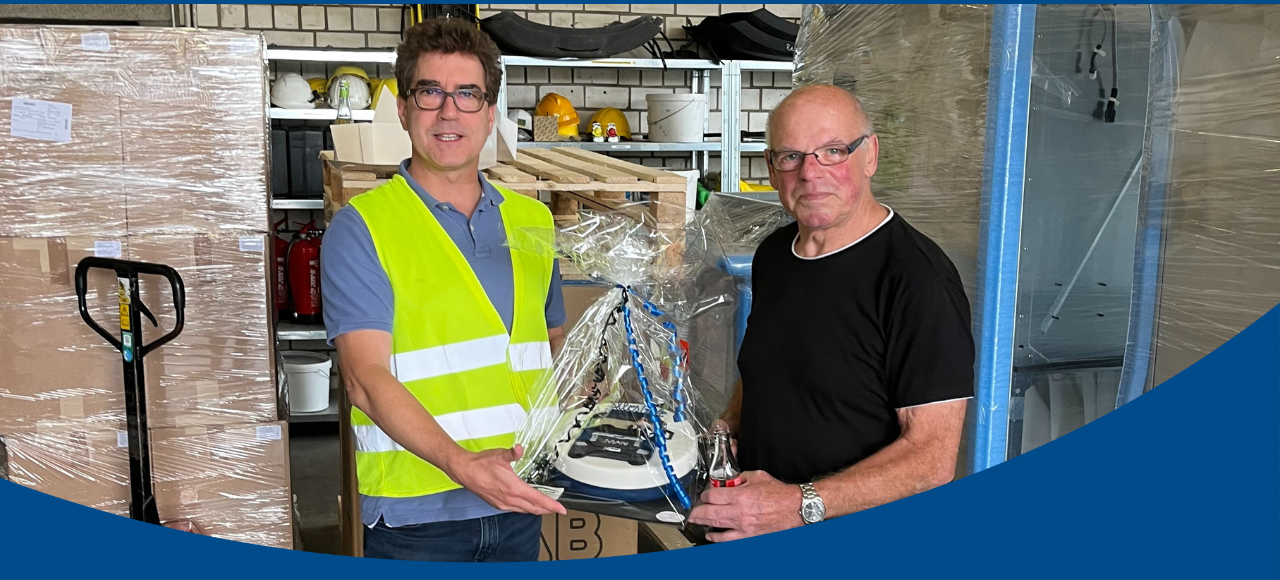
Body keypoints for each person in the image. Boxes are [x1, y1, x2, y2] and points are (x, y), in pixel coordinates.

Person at [320, 19, 566, 562]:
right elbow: (364, 379)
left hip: (518, 498)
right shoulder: (365, 228)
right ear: (405, 111)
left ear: (490, 113)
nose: (449, 111)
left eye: (467, 94)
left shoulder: (533, 222)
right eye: (430, 92)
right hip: (418, 516)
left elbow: (549, 342)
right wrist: (465, 466)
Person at [688, 85, 975, 541]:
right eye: (791, 157)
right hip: (756, 525)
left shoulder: (917, 280)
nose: (809, 173)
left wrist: (797, 505)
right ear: (771, 167)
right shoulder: (774, 255)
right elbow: (771, 366)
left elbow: (932, 459)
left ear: (870, 155)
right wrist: (726, 428)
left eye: (833, 151)